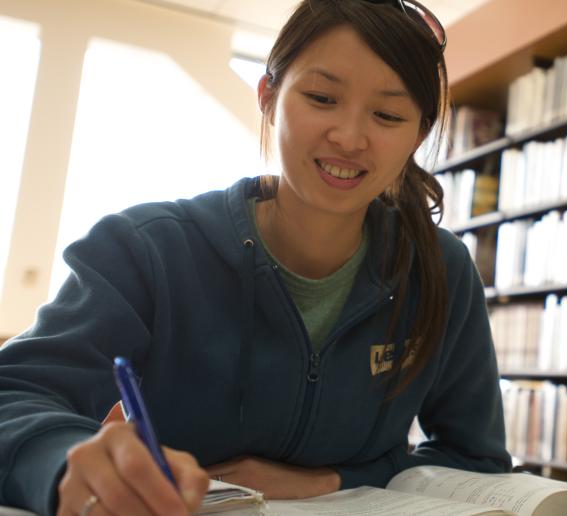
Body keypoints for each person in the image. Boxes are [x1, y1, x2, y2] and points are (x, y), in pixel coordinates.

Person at [0, 0, 512, 514]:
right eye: (321, 97)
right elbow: (13, 397)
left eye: (387, 115)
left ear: (418, 135)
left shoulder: (439, 269)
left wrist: (331, 480)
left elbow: (475, 458)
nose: (350, 138)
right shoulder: (145, 248)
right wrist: (65, 461)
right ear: (268, 96)